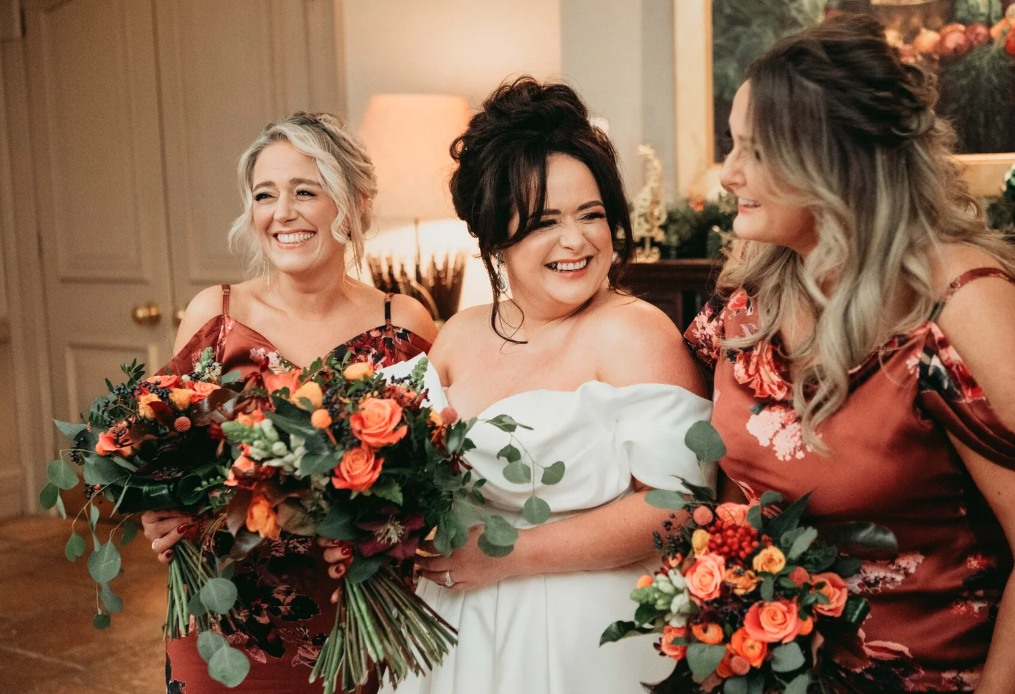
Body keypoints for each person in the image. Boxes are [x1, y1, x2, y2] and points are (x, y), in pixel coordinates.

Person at [346, 77, 715, 694]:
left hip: (586, 640)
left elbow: (679, 507)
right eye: (544, 222)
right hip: (456, 631)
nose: (576, 241)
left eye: (591, 215)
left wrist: (506, 557)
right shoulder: (459, 334)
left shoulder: (635, 333)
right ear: (494, 239)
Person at [684, 15, 1015, 692]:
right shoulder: (748, 292)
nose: (728, 174)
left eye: (754, 150)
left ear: (831, 163)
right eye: (731, 144)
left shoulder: (961, 304)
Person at [141, 112, 437, 693]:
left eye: (307, 191)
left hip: (358, 616)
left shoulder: (401, 322)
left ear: (353, 201)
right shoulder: (214, 316)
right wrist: (158, 508)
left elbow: (434, 473)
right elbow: (162, 450)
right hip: (224, 617)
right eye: (265, 195)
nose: (283, 213)